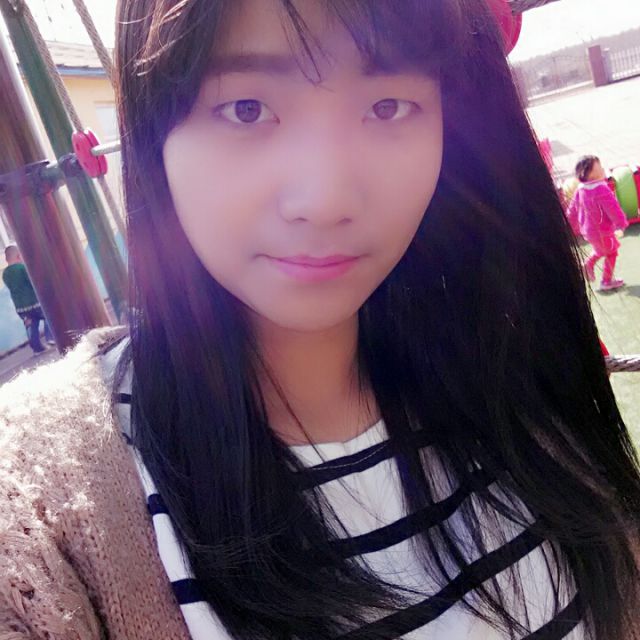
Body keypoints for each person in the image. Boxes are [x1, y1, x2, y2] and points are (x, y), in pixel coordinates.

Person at [0, 1, 639, 639]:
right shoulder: (37, 510)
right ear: (153, 129)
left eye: (387, 107)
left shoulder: (508, 365)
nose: (325, 199)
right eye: (246, 108)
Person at [567, 155, 629, 291]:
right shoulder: (601, 189)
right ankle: (606, 281)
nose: (602, 169)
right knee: (611, 253)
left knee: (600, 250)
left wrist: (568, 224)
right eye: (599, 168)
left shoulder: (580, 189)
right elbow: (613, 209)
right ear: (590, 174)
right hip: (603, 232)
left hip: (588, 232)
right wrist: (621, 224)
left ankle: (587, 265)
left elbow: (572, 209)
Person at [2, 244, 54, 353]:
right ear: (18, 256)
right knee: (49, 315)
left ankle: (37, 348)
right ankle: (51, 338)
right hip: (34, 303)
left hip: (20, 308)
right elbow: (32, 282)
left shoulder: (5, 274)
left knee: (31, 324)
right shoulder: (22, 268)